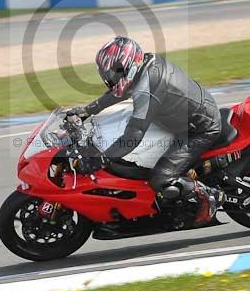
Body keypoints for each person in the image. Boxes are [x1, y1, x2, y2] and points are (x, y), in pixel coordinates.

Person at [68, 36, 226, 225]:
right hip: (181, 118)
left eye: (114, 73)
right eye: (108, 74)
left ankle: (210, 197)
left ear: (129, 64)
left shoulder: (148, 86)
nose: (110, 78)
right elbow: (120, 92)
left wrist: (102, 159)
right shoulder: (143, 66)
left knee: (161, 178)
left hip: (199, 129)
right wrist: (87, 111)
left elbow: (134, 134)